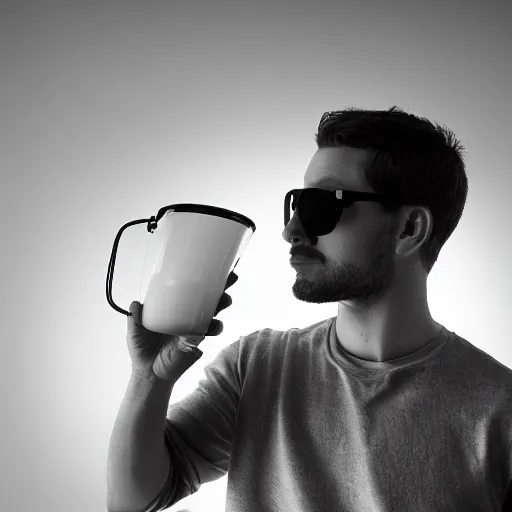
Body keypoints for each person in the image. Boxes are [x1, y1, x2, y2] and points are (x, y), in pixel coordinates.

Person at [107, 106, 512, 512]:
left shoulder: (500, 409)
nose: (291, 230)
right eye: (296, 203)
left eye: (322, 205)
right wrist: (149, 378)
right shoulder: (257, 367)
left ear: (409, 230)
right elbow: (135, 501)